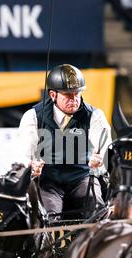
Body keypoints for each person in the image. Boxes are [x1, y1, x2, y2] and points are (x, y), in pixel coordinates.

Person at [18, 64, 112, 220]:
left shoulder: (95, 116)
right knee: (47, 217)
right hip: (48, 182)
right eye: (68, 95)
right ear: (53, 95)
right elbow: (24, 155)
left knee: (97, 208)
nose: (74, 100)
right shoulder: (33, 116)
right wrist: (31, 166)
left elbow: (106, 152)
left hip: (82, 178)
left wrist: (100, 161)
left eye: (77, 94)